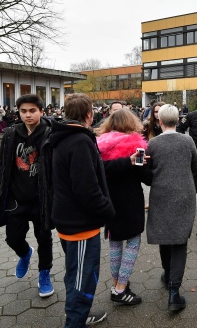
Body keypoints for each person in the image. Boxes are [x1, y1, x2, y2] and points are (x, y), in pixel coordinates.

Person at [47, 93, 116, 327]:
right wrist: (108, 210)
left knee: (75, 274)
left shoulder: (62, 135)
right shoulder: (79, 141)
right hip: (80, 225)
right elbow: (86, 188)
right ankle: (75, 321)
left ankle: (79, 316)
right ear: (89, 114)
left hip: (69, 220)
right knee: (82, 280)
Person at [0, 94, 54, 298]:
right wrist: (0, 192)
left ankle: (44, 274)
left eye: (32, 110)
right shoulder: (10, 134)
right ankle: (25, 253)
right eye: (23, 111)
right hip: (16, 200)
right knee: (13, 238)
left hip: (42, 199)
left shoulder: (51, 133)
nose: (27, 115)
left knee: (44, 238)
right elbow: (2, 165)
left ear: (41, 112)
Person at [145, 104, 197, 312]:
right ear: (177, 121)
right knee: (179, 241)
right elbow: (196, 166)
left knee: (164, 236)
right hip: (184, 196)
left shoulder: (153, 144)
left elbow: (147, 174)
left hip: (161, 196)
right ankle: (174, 293)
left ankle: (168, 275)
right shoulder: (188, 140)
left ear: (159, 121)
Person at [95, 108, 149, 306]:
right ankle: (120, 289)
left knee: (115, 242)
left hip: (108, 201)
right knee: (133, 243)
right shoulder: (135, 145)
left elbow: (99, 169)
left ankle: (116, 284)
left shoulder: (98, 145)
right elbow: (147, 178)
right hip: (130, 201)